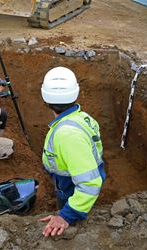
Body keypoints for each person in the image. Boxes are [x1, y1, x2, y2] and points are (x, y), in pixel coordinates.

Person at [38, 67, 106, 237]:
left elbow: (90, 183)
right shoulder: (82, 117)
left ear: (45, 99)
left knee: (65, 204)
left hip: (70, 186)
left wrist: (66, 215)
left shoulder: (67, 135)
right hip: (69, 177)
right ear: (75, 94)